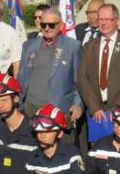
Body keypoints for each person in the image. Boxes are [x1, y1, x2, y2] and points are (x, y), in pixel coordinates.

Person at [18, 8, 83, 144]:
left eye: (51, 25)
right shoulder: (28, 46)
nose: (47, 28)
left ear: (60, 25)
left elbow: (80, 81)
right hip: (31, 108)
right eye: (43, 25)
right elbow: (22, 76)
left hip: (58, 109)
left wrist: (78, 104)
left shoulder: (73, 47)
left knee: (60, 151)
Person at [77, 3, 120, 129]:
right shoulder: (89, 46)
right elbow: (82, 78)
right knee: (98, 148)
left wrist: (116, 107)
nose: (103, 23)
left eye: (107, 19)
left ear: (116, 21)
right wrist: (94, 108)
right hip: (96, 114)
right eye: (100, 19)